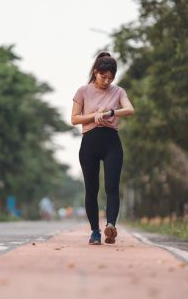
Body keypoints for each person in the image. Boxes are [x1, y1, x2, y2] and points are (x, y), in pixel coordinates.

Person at [71, 52, 134, 245]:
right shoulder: (83, 91)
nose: (106, 81)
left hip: (111, 143)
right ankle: (95, 232)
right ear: (95, 72)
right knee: (92, 189)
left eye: (110, 78)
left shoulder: (118, 92)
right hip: (89, 142)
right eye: (103, 76)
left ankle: (110, 226)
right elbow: (74, 119)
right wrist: (93, 116)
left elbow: (130, 110)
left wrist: (109, 112)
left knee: (112, 187)